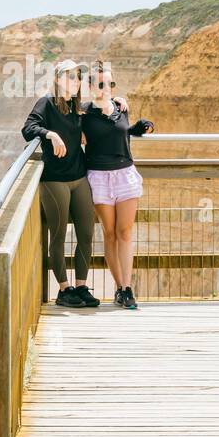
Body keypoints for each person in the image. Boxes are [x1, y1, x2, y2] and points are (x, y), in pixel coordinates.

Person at [21, 59, 99, 308]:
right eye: (69, 76)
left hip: (80, 178)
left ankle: (82, 286)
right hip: (54, 181)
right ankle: (64, 290)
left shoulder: (79, 107)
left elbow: (102, 109)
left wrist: (120, 103)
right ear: (57, 79)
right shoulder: (46, 103)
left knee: (86, 234)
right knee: (57, 236)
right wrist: (50, 133)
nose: (75, 81)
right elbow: (28, 128)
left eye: (77, 77)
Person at [82, 60, 154, 310]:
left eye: (111, 84)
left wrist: (141, 126)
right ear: (91, 86)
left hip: (125, 175)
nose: (107, 88)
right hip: (99, 177)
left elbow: (124, 132)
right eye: (102, 84)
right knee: (109, 234)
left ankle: (127, 288)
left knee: (125, 233)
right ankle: (118, 287)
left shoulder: (121, 107)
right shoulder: (83, 113)